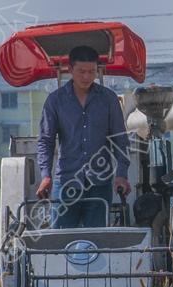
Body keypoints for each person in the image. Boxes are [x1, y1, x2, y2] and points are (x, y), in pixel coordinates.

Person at [37, 45, 131, 229]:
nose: (87, 77)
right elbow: (46, 141)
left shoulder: (108, 99)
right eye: (81, 71)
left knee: (97, 241)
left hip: (100, 184)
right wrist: (45, 176)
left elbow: (120, 140)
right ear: (70, 69)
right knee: (60, 242)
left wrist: (121, 174)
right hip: (66, 183)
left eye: (92, 72)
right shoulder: (55, 101)